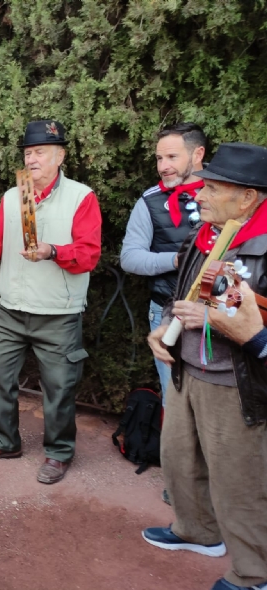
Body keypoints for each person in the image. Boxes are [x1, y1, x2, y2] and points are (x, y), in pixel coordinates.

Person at [145, 142, 267, 590]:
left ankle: (255, 574)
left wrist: (217, 318)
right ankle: (197, 531)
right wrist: (163, 331)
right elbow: (187, 297)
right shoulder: (211, 233)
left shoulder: (261, 242)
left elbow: (240, 319)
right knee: (179, 461)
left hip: (235, 384)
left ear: (248, 196)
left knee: (239, 480)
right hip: (186, 370)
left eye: (213, 187)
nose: (200, 194)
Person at [0, 120, 102, 484]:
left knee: (59, 388)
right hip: (12, 309)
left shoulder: (81, 196)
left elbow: (89, 255)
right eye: (28, 153)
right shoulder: (15, 196)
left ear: (60, 156)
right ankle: (5, 442)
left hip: (58, 314)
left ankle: (59, 453)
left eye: (40, 152)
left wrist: (52, 251)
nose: (32, 159)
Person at [121, 123, 206, 400]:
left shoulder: (225, 194)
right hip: (166, 313)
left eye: (172, 157)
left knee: (219, 406)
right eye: (159, 158)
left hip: (218, 318)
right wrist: (177, 260)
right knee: (175, 400)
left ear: (197, 154)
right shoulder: (150, 201)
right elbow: (130, 258)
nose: (163, 166)